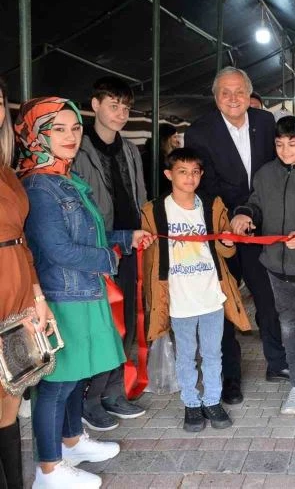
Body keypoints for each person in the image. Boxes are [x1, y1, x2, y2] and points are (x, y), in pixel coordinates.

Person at [16, 97, 153, 488]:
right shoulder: (39, 186)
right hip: (61, 297)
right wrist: (109, 259)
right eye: (57, 129)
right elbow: (57, 250)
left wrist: (124, 237)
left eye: (75, 128)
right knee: (56, 385)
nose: (71, 136)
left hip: (84, 291)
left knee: (77, 377)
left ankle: (72, 442)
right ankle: (48, 470)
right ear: (36, 136)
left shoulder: (67, 179)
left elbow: (89, 234)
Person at [185, 67, 288, 404]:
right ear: (215, 97)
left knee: (268, 296)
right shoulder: (200, 131)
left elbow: (274, 171)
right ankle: (230, 376)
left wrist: (251, 213)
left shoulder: (266, 122)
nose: (233, 98)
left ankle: (278, 361)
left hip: (260, 227)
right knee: (225, 302)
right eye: (225, 92)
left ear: (249, 94)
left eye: (239, 91)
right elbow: (206, 184)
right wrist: (233, 218)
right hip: (222, 229)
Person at [232, 116, 295, 427]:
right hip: (276, 269)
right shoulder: (265, 174)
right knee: (288, 328)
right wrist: (244, 214)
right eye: (279, 144)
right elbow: (256, 204)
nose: (285, 150)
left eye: (292, 144)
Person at [141, 147, 251, 433]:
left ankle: (212, 401)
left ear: (201, 175)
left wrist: (228, 243)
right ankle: (191, 403)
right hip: (179, 298)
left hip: (210, 294)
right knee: (186, 355)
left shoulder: (212, 205)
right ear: (169, 174)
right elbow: (150, 256)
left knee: (213, 353)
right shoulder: (154, 210)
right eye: (182, 172)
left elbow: (226, 251)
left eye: (194, 172)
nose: (189, 178)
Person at [72, 76, 148, 431]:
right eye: (113, 105)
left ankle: (114, 393)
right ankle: (90, 399)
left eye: (126, 108)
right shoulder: (78, 148)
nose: (120, 113)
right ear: (95, 105)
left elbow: (139, 197)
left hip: (130, 248)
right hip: (96, 250)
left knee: (126, 323)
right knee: (101, 327)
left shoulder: (130, 149)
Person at [0, 79, 52, 489]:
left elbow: (21, 239)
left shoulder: (6, 168)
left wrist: (37, 295)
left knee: (11, 393)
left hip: (17, 277)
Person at [143, 123, 181, 197]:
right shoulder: (152, 156)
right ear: (167, 138)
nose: (177, 140)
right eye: (175, 137)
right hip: (157, 196)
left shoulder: (172, 156)